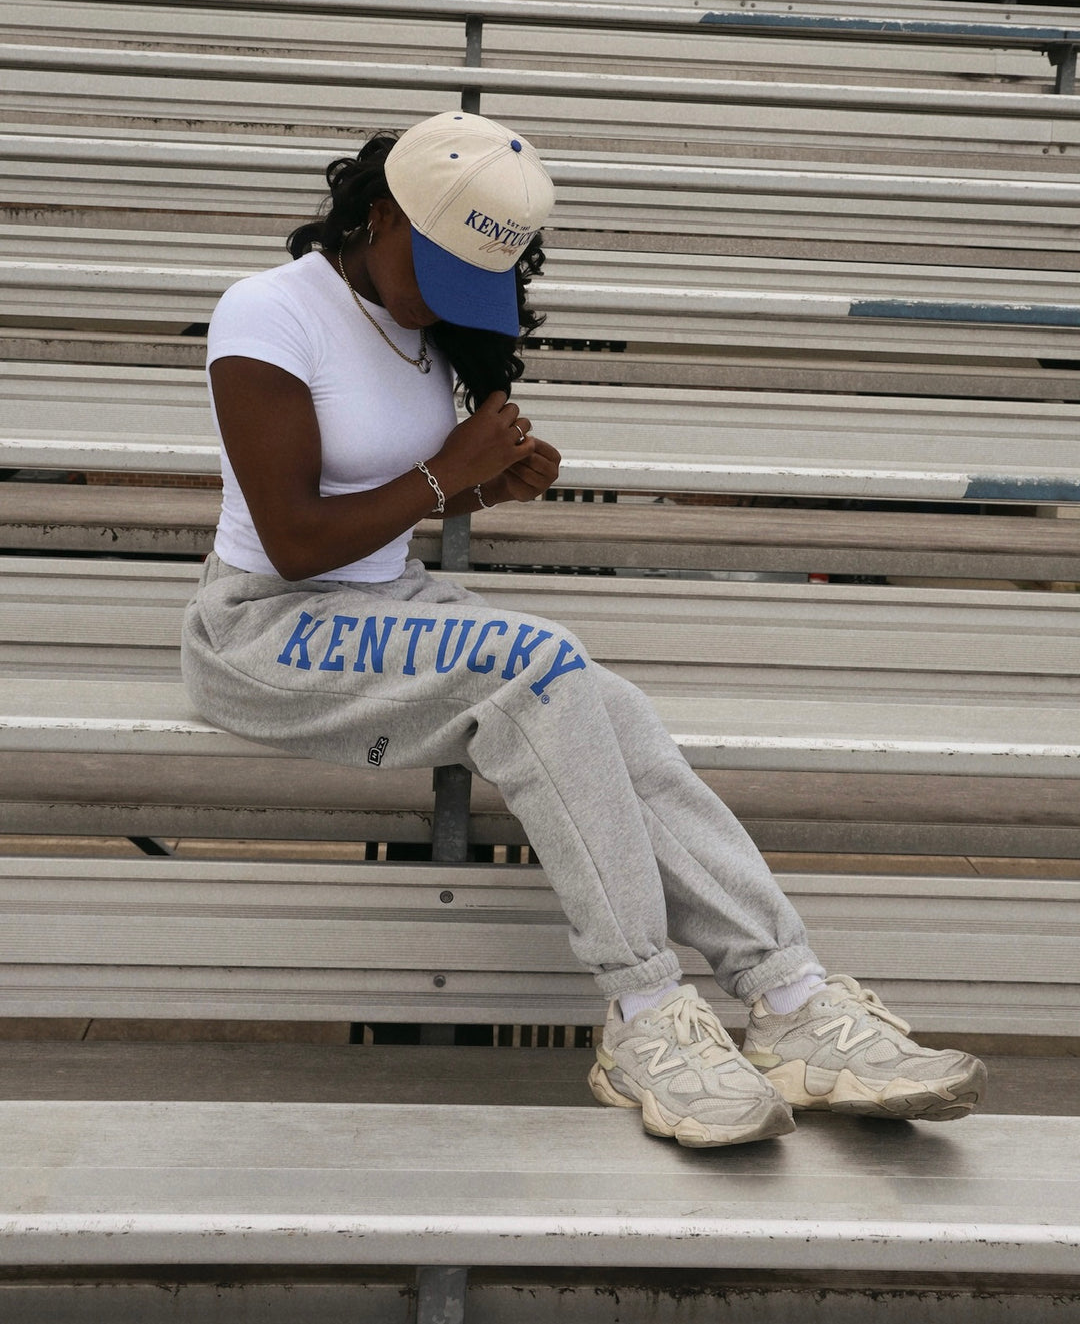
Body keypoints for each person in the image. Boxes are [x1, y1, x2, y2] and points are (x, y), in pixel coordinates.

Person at [181, 109, 987, 1149]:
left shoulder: (426, 327)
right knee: (541, 662)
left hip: (384, 606)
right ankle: (646, 1012)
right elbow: (293, 539)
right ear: (378, 214)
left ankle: (790, 999)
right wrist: (442, 478)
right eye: (436, 264)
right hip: (265, 630)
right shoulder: (267, 312)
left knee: (610, 702)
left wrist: (479, 491)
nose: (446, 299)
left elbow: (386, 497)